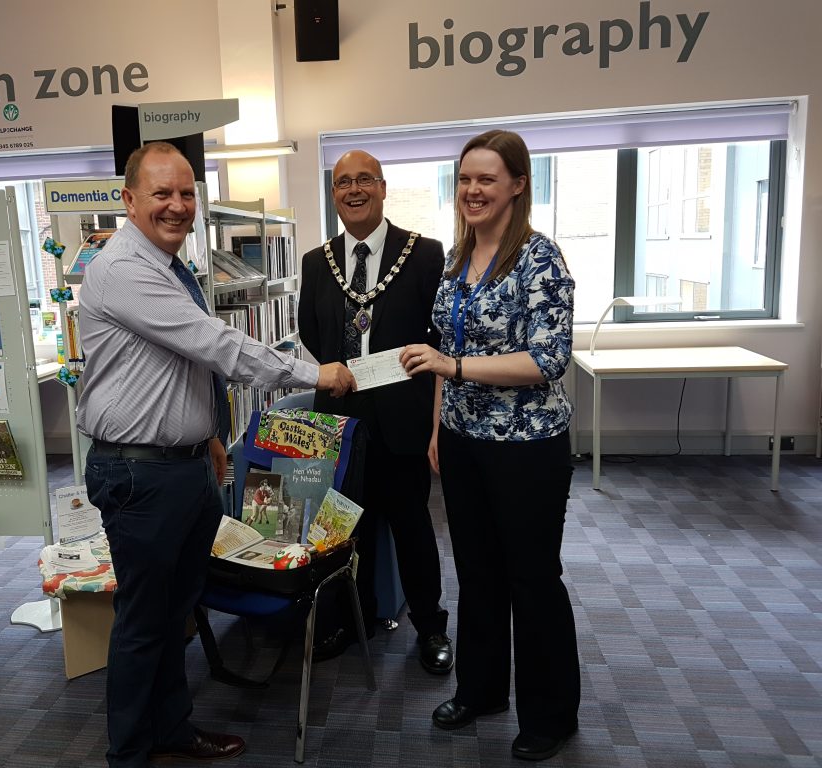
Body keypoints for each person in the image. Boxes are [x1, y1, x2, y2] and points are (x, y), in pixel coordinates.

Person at [75, 141, 355, 768]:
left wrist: (206, 430)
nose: (177, 206)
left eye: (186, 194)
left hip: (180, 465)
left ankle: (171, 730)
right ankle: (130, 753)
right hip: (140, 472)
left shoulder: (172, 266)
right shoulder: (125, 267)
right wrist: (313, 374)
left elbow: (173, 364)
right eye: (161, 194)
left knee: (175, 611)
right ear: (128, 200)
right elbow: (216, 344)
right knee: (145, 621)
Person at [399, 129, 579, 762]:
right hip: (464, 440)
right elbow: (444, 355)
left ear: (518, 186)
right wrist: (436, 431)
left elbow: (548, 359)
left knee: (532, 578)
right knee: (476, 575)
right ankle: (481, 690)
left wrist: (454, 370)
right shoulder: (456, 260)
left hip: (528, 445)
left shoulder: (539, 259)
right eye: (465, 179)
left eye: (486, 180)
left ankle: (550, 714)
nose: (472, 191)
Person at [297, 149, 453, 674]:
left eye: (365, 180)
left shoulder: (425, 254)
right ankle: (348, 621)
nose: (354, 190)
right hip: (339, 423)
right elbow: (313, 335)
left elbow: (438, 339)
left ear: (384, 188)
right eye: (343, 182)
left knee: (412, 528)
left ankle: (431, 627)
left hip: (403, 422)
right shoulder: (316, 262)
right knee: (342, 531)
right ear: (334, 193)